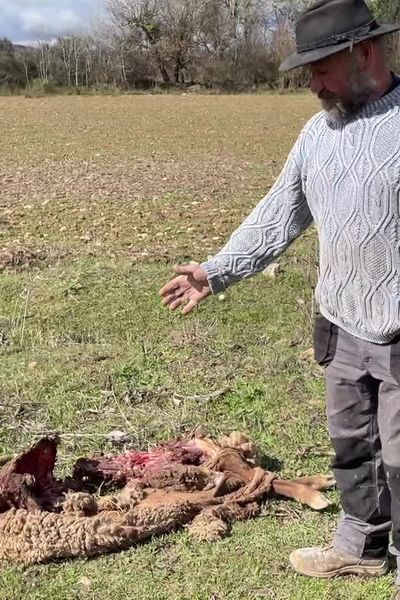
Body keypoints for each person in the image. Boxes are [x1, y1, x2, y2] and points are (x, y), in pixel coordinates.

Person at [159, 0, 400, 597]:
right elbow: (278, 216)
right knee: (353, 447)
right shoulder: (318, 134)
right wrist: (215, 273)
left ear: (365, 53)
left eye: (321, 69)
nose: (312, 84)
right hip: (341, 323)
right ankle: (360, 548)